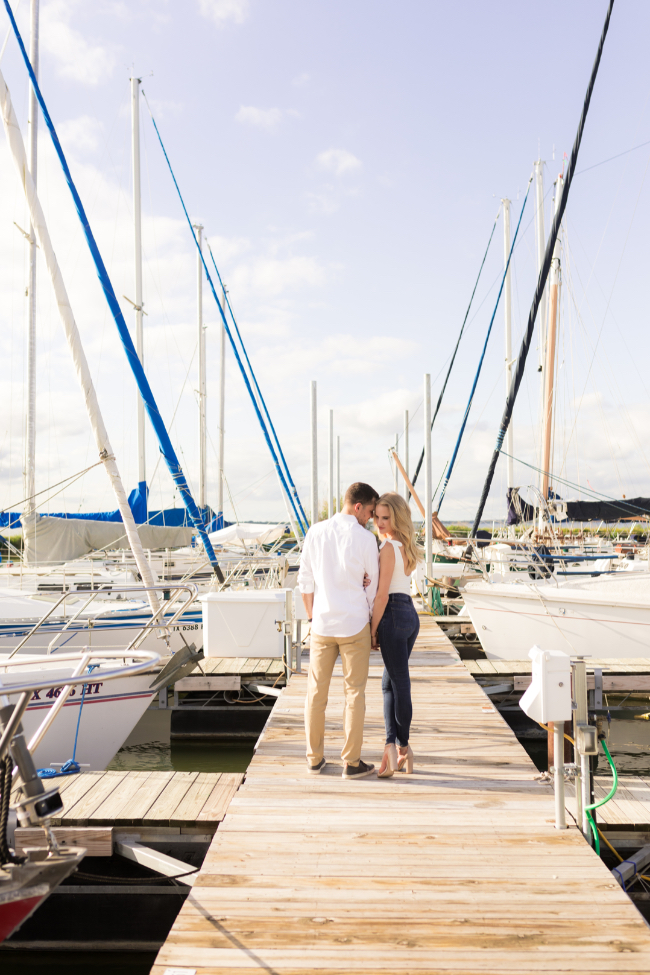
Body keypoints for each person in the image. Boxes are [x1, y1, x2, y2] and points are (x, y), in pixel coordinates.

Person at [298, 482, 380, 779]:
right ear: (357, 506)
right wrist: (372, 624)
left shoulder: (315, 532)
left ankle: (314, 759)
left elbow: (304, 581)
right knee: (354, 693)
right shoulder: (366, 539)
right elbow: (373, 585)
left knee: (315, 694)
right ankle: (351, 762)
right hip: (355, 623)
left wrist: (311, 616)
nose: (371, 517)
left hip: (321, 624)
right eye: (370, 511)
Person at [370, 491, 421, 777]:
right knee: (389, 684)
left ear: (397, 517)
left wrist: (373, 628)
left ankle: (402, 746)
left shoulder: (388, 547)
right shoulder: (403, 546)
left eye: (385, 517)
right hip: (409, 614)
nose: (379, 522)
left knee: (400, 685)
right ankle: (392, 745)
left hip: (391, 613)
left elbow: (380, 596)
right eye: (376, 517)